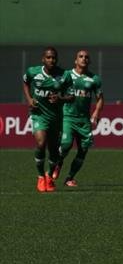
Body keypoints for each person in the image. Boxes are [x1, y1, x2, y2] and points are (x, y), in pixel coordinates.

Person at [22, 47, 69, 192]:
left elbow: (72, 96)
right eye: (48, 57)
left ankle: (49, 176)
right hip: (38, 114)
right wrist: (29, 99)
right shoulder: (33, 72)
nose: (51, 60)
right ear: (43, 59)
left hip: (56, 117)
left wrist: (60, 98)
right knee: (41, 143)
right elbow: (25, 82)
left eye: (53, 57)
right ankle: (41, 176)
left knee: (54, 150)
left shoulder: (65, 75)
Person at [55, 50, 104, 187]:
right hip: (68, 116)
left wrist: (96, 113)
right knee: (65, 144)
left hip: (84, 120)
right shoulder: (67, 75)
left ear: (89, 61)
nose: (84, 59)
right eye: (81, 57)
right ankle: (58, 163)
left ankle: (69, 178)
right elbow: (57, 91)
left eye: (86, 57)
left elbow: (100, 99)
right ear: (75, 60)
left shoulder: (94, 79)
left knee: (83, 150)